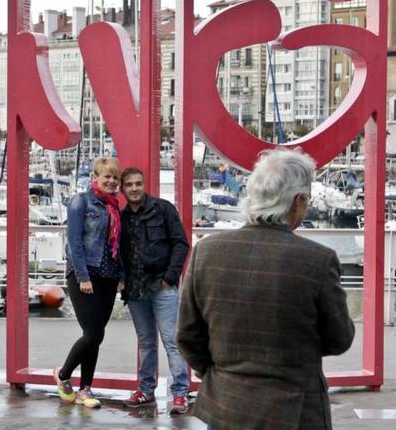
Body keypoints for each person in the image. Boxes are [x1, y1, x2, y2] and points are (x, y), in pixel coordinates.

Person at [177, 149, 355, 430]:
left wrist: (220, 374)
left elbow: (188, 336)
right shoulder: (318, 260)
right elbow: (340, 338)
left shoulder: (206, 251)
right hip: (293, 411)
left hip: (225, 406)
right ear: (297, 202)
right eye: (306, 199)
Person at [118, 167, 191, 414]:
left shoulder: (163, 209)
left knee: (171, 341)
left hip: (161, 286)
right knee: (146, 343)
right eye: (129, 185)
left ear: (144, 184)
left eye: (138, 183)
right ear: (123, 189)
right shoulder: (122, 217)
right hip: (136, 290)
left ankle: (180, 393)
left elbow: (181, 244)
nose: (135, 188)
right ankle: (145, 391)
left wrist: (169, 278)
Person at [54, 157, 125, 408]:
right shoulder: (80, 202)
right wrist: (83, 277)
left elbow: (118, 247)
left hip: (108, 275)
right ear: (95, 177)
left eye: (115, 177)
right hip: (85, 275)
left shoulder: (114, 207)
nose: (111, 181)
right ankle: (63, 376)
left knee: (96, 335)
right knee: (93, 332)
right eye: (107, 176)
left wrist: (122, 277)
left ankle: (85, 389)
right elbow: (74, 243)